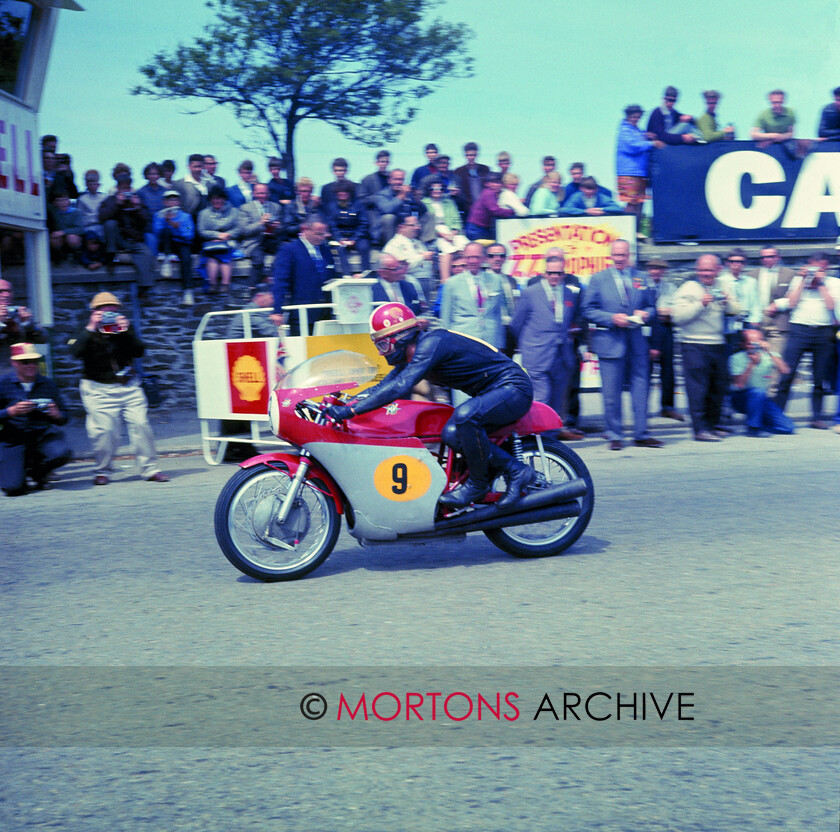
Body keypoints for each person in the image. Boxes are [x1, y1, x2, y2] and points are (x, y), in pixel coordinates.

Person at [324, 302, 536, 509]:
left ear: (400, 338)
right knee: (451, 434)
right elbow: (384, 386)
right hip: (494, 393)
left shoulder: (432, 344)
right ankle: (491, 474)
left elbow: (400, 387)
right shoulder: (414, 357)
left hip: (513, 388)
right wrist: (345, 403)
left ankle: (496, 479)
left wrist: (351, 411)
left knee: (465, 416)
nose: (381, 353)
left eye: (382, 345)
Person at [70, 292, 169, 485]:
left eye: (112, 309)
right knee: (105, 431)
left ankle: (150, 469)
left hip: (128, 385)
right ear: (94, 312)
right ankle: (102, 470)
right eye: (104, 310)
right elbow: (75, 352)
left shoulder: (123, 328)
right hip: (98, 388)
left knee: (141, 425)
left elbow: (139, 351)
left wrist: (127, 332)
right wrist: (91, 328)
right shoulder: (85, 330)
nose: (109, 313)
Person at [582, 239, 662, 450]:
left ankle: (642, 433)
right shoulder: (598, 279)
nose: (619, 259)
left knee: (641, 389)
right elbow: (588, 310)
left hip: (637, 342)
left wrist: (646, 313)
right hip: (610, 342)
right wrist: (611, 318)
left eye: (623, 255)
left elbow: (652, 307)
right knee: (611, 393)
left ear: (629, 255)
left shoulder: (641, 277)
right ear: (611, 255)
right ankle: (614, 434)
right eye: (616, 255)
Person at [511, 252, 584, 440]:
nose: (554, 277)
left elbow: (571, 321)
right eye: (551, 273)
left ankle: (551, 439)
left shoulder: (570, 293)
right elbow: (517, 323)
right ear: (544, 273)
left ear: (564, 273)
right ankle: (535, 437)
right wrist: (527, 346)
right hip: (537, 352)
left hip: (562, 354)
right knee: (542, 397)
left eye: (558, 273)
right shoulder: (530, 293)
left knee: (558, 400)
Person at [670, 254, 741, 441]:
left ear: (718, 270)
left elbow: (737, 310)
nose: (705, 274)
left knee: (717, 388)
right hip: (694, 344)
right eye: (701, 270)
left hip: (717, 344)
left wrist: (727, 303)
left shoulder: (722, 286)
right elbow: (677, 317)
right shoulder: (688, 288)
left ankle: (712, 425)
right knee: (697, 389)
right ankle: (700, 429)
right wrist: (700, 304)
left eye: (709, 270)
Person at [772, 256, 840, 429]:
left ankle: (817, 417)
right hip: (799, 329)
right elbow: (791, 303)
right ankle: (778, 416)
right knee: (787, 374)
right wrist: (803, 281)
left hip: (823, 331)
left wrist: (821, 283)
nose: (815, 272)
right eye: (813, 268)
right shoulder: (798, 280)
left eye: (820, 269)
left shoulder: (834, 283)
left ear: (826, 268)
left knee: (819, 378)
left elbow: (832, 306)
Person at [0, 343, 72, 496]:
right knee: (13, 488)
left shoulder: (47, 384)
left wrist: (56, 414)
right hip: (13, 438)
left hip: (41, 435)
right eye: (25, 362)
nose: (31, 365)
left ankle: (38, 473)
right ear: (14, 363)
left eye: (35, 361)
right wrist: (10, 412)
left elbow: (65, 417)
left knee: (63, 452)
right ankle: (19, 470)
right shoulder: (3, 384)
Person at [271, 214, 337, 335]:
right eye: (318, 234)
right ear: (305, 229)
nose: (322, 238)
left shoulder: (326, 250)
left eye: (324, 234)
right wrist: (277, 310)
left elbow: (332, 277)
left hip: (326, 313)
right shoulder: (289, 250)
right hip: (302, 315)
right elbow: (280, 281)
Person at [440, 241, 507, 351]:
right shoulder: (452, 283)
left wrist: (500, 343)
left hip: (490, 341)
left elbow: (498, 315)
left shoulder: (496, 280)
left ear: (483, 258)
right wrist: (448, 344)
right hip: (462, 341)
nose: (473, 261)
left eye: (477, 257)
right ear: (464, 258)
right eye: (469, 257)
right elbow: (446, 317)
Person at [729, 329, 795, 437]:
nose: (755, 346)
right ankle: (753, 428)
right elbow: (739, 384)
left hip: (761, 399)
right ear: (743, 344)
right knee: (758, 392)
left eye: (758, 341)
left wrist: (769, 352)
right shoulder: (736, 358)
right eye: (751, 343)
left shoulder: (769, 355)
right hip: (741, 397)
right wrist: (751, 364)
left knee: (787, 427)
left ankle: (759, 424)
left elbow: (785, 370)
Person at [98, 175, 156, 295]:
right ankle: (111, 258)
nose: (126, 192)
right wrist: (117, 204)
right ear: (118, 188)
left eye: (128, 188)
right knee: (110, 223)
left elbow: (146, 222)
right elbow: (102, 218)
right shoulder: (110, 200)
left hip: (134, 240)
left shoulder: (136, 199)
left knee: (146, 254)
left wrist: (138, 207)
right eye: (123, 188)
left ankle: (144, 288)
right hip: (118, 240)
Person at [751, 245, 796, 388]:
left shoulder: (789, 274)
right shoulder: (752, 275)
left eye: (770, 256)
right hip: (757, 323)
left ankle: (771, 396)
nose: (766, 260)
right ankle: (757, 393)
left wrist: (778, 304)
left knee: (776, 359)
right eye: (763, 257)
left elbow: (795, 297)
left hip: (779, 323)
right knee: (755, 360)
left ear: (778, 257)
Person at [646, 258, 683, 421]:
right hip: (646, 330)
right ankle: (641, 407)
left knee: (668, 371)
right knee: (644, 370)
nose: (656, 271)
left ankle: (668, 407)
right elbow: (644, 311)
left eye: (659, 268)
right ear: (648, 269)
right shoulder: (641, 285)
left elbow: (674, 310)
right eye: (653, 268)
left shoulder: (670, 287)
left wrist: (661, 312)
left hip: (666, 329)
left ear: (664, 271)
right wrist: (659, 312)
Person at [420, 177, 468, 284]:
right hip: (434, 233)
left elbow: (457, 220)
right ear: (429, 190)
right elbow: (425, 224)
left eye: (440, 189)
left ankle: (464, 277)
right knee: (448, 249)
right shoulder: (423, 203)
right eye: (434, 189)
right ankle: (445, 280)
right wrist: (443, 235)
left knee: (465, 247)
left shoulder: (449, 202)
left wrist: (453, 232)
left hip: (451, 230)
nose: (437, 191)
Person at [152, 190, 196, 304]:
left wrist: (177, 228)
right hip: (166, 244)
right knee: (166, 231)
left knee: (186, 259)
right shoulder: (159, 215)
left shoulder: (186, 217)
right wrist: (165, 220)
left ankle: (188, 290)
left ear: (179, 202)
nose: (172, 202)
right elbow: (156, 232)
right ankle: (166, 261)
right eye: (169, 200)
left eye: (175, 199)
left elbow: (189, 234)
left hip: (181, 243)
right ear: (164, 202)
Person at [616, 104, 658, 217]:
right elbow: (632, 146)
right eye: (634, 117)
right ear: (628, 116)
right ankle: (627, 230)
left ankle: (635, 230)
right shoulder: (624, 130)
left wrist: (646, 135)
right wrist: (652, 143)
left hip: (638, 172)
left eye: (638, 117)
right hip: (628, 172)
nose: (636, 119)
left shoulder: (636, 130)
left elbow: (639, 139)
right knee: (631, 203)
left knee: (638, 203)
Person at [237, 182, 283, 284]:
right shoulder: (245, 208)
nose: (262, 196)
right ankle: (252, 288)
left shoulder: (276, 207)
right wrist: (260, 223)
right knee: (258, 259)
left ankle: (272, 279)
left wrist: (277, 227)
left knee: (285, 253)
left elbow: (281, 229)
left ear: (269, 193)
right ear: (254, 193)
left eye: (265, 193)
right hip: (254, 242)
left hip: (271, 240)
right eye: (259, 193)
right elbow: (244, 230)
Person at [197, 187, 240, 295]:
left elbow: (239, 228)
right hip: (211, 242)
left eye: (220, 198)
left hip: (229, 241)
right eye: (214, 198)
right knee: (212, 256)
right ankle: (213, 284)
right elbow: (201, 230)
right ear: (210, 200)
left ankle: (225, 284)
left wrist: (226, 235)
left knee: (225, 254)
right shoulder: (204, 213)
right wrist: (217, 235)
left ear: (224, 199)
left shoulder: (234, 211)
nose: (217, 201)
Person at [382, 216, 433, 303]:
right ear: (401, 227)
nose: (417, 227)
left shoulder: (418, 242)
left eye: (418, 224)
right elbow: (401, 268)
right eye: (413, 225)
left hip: (426, 282)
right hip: (409, 284)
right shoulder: (394, 244)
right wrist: (422, 257)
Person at [325, 183, 371, 275]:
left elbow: (364, 223)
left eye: (344, 192)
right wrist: (340, 239)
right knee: (340, 249)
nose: (342, 194)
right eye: (339, 193)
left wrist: (354, 239)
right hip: (341, 237)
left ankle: (366, 273)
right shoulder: (332, 206)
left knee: (364, 246)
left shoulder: (358, 205)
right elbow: (332, 225)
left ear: (349, 193)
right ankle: (346, 275)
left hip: (357, 236)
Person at [374, 169, 425, 244]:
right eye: (396, 179)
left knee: (429, 215)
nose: (398, 182)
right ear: (389, 180)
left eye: (401, 179)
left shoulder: (409, 193)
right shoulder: (381, 194)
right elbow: (387, 209)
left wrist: (418, 201)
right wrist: (401, 195)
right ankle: (391, 248)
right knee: (388, 217)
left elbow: (421, 212)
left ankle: (426, 245)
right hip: (389, 230)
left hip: (406, 227)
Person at [465, 172, 514, 240]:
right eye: (493, 182)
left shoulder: (492, 193)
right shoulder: (488, 193)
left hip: (479, 227)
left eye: (498, 182)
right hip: (476, 228)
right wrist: (512, 212)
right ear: (486, 184)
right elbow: (495, 210)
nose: (496, 185)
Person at [453, 141, 490, 216]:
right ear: (465, 155)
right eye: (468, 155)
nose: (471, 158)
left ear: (477, 154)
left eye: (473, 155)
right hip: (467, 210)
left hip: (484, 209)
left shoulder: (485, 169)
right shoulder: (459, 171)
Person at [47, 192, 84, 262]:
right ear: (54, 203)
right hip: (60, 238)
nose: (62, 203)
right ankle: (59, 256)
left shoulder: (76, 212)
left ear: (68, 201)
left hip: (72, 236)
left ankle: (76, 255)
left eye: (65, 200)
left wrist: (63, 232)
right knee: (53, 238)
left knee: (72, 238)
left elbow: (80, 229)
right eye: (59, 200)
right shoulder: (54, 212)